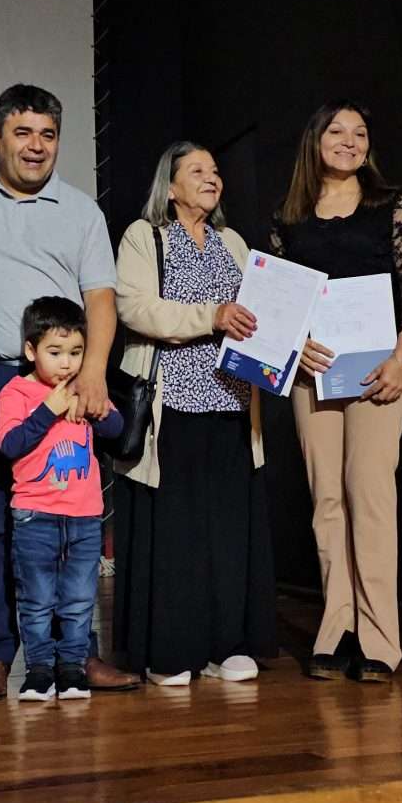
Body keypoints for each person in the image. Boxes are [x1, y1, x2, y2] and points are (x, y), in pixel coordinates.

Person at [0, 84, 138, 700]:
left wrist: (93, 370)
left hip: (67, 381)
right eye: (23, 133)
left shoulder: (79, 209)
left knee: (68, 523)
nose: (36, 146)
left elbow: (101, 296)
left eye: (47, 135)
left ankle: (79, 655)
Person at [268, 100, 402, 683]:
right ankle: (337, 630)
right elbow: (278, 302)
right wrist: (295, 343)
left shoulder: (390, 205)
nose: (349, 141)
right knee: (327, 499)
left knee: (370, 493)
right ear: (314, 141)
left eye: (360, 132)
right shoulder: (289, 216)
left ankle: (381, 637)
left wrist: (401, 363)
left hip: (379, 372)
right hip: (313, 374)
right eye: (336, 131)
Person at [111, 141, 276, 686]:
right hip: (171, 407)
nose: (212, 179)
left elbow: (258, 315)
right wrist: (214, 315)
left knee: (227, 532)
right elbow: (135, 307)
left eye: (216, 171)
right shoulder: (146, 236)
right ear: (171, 185)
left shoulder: (233, 242)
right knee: (176, 536)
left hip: (230, 405)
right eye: (197, 171)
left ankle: (225, 644)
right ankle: (171, 651)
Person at [0, 297, 123, 702]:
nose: (66, 363)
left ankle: (72, 668)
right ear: (31, 351)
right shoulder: (15, 392)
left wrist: (94, 406)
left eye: (75, 353)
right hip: (36, 515)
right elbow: (11, 443)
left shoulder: (83, 386)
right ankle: (38, 671)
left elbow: (117, 427)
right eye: (55, 353)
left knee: (80, 599)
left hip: (84, 516)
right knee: (36, 599)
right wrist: (49, 410)